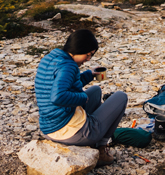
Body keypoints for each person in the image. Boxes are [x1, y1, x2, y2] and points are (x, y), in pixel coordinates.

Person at [35, 29, 128, 166]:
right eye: (88, 54)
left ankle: (95, 140)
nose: (89, 59)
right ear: (79, 49)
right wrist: (82, 98)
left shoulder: (53, 58)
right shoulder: (69, 66)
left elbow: (66, 83)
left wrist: (90, 75)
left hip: (49, 127)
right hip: (69, 131)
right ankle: (101, 148)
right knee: (121, 97)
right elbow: (58, 96)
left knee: (95, 90)